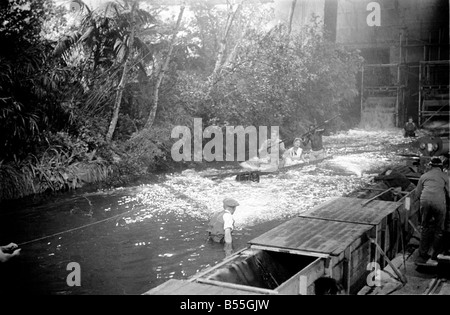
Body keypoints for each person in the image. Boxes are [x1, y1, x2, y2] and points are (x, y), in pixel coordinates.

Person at [414, 157, 449, 266]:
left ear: (430, 166)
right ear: (441, 167)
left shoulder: (423, 176)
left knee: (425, 227)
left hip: (424, 201)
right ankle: (435, 254)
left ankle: (423, 253)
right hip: (439, 202)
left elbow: (417, 194)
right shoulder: (445, 177)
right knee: (439, 229)